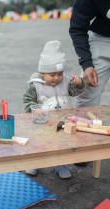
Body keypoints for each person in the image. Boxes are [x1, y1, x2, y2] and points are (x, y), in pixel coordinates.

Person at [23, 40, 85, 179]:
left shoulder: (66, 82)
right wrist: (34, 109)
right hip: (42, 121)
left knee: (61, 144)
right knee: (38, 144)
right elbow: (27, 100)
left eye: (60, 74)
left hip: (62, 121)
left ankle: (60, 165)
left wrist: (80, 84)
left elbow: (75, 92)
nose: (57, 78)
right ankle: (34, 163)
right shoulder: (35, 86)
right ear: (42, 72)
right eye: (52, 75)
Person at [69, 0, 110, 107]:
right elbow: (77, 28)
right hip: (102, 39)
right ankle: (83, 122)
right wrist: (87, 64)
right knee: (87, 93)